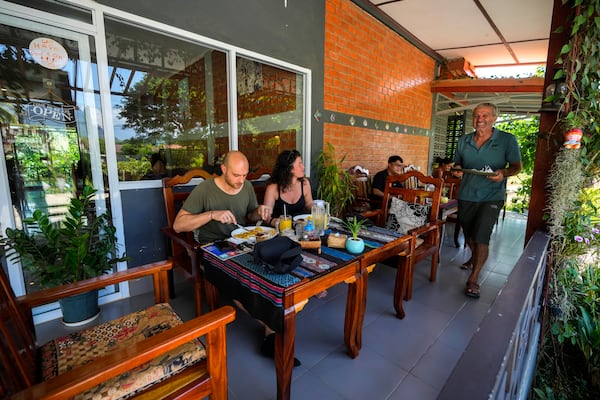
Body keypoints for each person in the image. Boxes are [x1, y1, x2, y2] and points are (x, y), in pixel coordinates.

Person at [172, 151, 300, 366]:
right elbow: (178, 225)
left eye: (245, 175)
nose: (241, 180)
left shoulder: (247, 186)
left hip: (244, 243)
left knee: (269, 269)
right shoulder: (205, 190)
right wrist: (211, 214)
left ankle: (275, 321)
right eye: (236, 175)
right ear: (223, 169)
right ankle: (273, 331)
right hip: (214, 248)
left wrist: (258, 212)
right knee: (240, 280)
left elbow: (249, 217)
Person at [453, 102, 521, 299]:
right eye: (476, 115)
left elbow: (517, 166)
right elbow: (459, 163)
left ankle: (473, 279)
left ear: (494, 118)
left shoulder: (507, 140)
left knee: (482, 236)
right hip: (467, 194)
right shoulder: (464, 140)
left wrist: (504, 173)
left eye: (485, 115)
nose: (480, 119)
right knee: (470, 235)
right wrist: (457, 169)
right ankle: (474, 258)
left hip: (492, 195)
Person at [262, 149, 313, 228]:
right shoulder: (273, 187)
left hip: (302, 228)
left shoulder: (305, 183)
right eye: (300, 164)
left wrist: (317, 210)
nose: (303, 167)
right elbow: (266, 215)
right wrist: (273, 221)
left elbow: (309, 204)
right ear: (290, 169)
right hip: (280, 231)